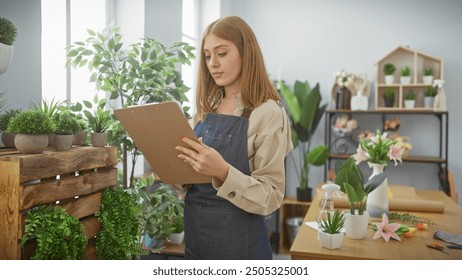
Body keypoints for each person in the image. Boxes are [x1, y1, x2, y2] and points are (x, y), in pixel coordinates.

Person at [175, 16, 293, 260]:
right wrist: (174, 171)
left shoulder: (268, 113)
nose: (212, 64)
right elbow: (191, 185)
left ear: (246, 53)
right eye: (207, 56)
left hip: (241, 250)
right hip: (196, 244)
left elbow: (271, 196)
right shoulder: (205, 111)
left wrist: (224, 172)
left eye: (222, 53)